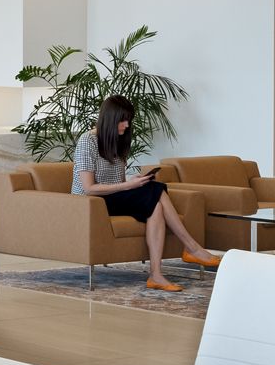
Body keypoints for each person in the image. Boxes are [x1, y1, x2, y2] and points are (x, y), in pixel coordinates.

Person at [71, 94, 220, 292]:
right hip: (90, 203)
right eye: (122, 121)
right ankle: (191, 247)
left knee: (155, 205)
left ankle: (156, 275)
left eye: (128, 120)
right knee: (154, 190)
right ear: (110, 119)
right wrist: (127, 187)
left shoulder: (118, 140)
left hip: (113, 198)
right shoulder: (87, 141)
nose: (126, 125)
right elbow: (89, 188)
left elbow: (119, 182)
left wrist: (133, 183)